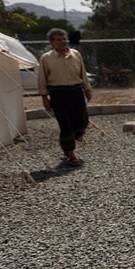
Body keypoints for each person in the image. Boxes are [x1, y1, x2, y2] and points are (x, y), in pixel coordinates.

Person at [37, 28, 92, 166]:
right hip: (58, 94)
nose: (62, 42)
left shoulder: (75, 54)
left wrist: (87, 89)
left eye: (63, 39)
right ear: (52, 43)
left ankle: (74, 137)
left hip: (76, 91)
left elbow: (83, 73)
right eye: (58, 40)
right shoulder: (46, 58)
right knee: (65, 125)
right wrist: (45, 98)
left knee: (82, 121)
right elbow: (42, 79)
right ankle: (71, 154)